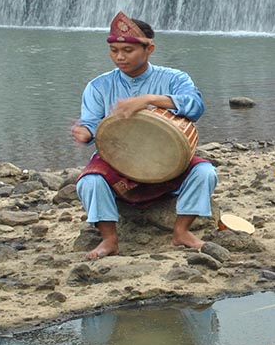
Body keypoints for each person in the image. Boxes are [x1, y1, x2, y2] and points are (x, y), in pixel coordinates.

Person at [72, 13, 218, 258]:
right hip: (118, 159)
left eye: (128, 50)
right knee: (89, 181)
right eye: (114, 50)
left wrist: (148, 99)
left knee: (205, 173)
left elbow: (195, 106)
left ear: (149, 48)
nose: (120, 57)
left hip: (169, 157)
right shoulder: (98, 86)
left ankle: (181, 231)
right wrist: (84, 131)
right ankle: (109, 239)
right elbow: (91, 123)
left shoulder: (174, 78)